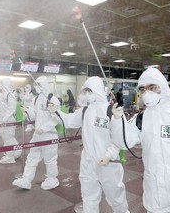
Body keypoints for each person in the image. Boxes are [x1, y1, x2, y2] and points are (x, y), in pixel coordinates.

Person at [110, 68, 170, 213]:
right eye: (143, 89)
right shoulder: (141, 118)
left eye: (152, 87)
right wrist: (117, 120)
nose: (147, 93)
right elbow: (123, 142)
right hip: (154, 196)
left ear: (162, 87)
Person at [47, 76, 130, 213]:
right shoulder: (85, 110)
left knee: (116, 198)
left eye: (89, 91)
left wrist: (109, 154)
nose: (86, 94)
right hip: (88, 162)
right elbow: (69, 121)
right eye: (85, 91)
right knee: (88, 197)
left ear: (97, 90)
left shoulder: (111, 111)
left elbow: (121, 138)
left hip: (108, 164)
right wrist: (56, 111)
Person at [12, 76, 60, 190]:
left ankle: (52, 179)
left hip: (49, 135)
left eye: (39, 85)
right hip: (37, 135)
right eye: (35, 85)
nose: (36, 87)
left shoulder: (52, 99)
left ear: (44, 85)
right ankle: (26, 179)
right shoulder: (36, 99)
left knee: (50, 159)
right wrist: (27, 110)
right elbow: (34, 114)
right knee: (32, 156)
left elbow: (56, 118)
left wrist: (44, 128)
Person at [0, 78, 22, 164]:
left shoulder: (10, 95)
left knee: (9, 139)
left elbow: (12, 109)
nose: (1, 86)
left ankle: (10, 157)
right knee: (7, 138)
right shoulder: (4, 95)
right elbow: (4, 108)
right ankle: (15, 152)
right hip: (5, 120)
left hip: (9, 121)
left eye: (3, 84)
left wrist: (4, 119)